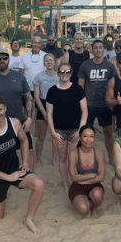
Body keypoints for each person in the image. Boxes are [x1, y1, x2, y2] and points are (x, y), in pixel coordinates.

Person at [0, 95, 44, 234]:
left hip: (15, 170)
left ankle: (29, 219)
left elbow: (24, 141)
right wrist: (8, 178)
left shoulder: (14, 123)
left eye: (0, 109)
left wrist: (25, 162)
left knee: (39, 184)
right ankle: (2, 195)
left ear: (5, 109)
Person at [46, 63, 87, 195]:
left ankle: (76, 182)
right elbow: (49, 114)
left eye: (67, 72)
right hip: (60, 131)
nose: (64, 74)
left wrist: (80, 131)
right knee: (62, 158)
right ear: (58, 73)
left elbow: (85, 111)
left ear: (71, 73)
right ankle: (65, 184)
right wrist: (53, 133)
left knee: (74, 158)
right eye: (62, 72)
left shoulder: (78, 89)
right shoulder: (52, 91)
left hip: (75, 130)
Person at [0, 50, 34, 150]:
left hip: (20, 122)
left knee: (28, 150)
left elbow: (28, 98)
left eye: (4, 58)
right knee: (2, 155)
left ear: (8, 59)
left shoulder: (19, 77)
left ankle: (27, 166)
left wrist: (29, 118)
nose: (2, 61)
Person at [78, 39, 117, 163]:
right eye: (95, 47)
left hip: (104, 104)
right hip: (89, 105)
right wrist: (80, 104)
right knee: (85, 133)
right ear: (92, 49)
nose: (98, 50)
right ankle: (83, 157)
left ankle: (111, 158)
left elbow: (114, 86)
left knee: (108, 133)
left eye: (100, 47)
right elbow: (80, 86)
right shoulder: (85, 65)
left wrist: (112, 102)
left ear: (103, 49)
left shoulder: (110, 66)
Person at [67, 125, 106, 216]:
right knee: (83, 209)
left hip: (95, 186)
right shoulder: (73, 154)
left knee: (97, 195)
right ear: (80, 137)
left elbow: (101, 177)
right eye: (85, 136)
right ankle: (85, 201)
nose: (88, 139)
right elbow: (73, 177)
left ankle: (94, 207)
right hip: (77, 188)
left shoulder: (99, 153)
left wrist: (82, 180)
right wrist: (91, 175)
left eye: (91, 136)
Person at [32, 53, 60, 166]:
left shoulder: (59, 76)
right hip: (43, 105)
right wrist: (44, 113)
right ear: (44, 63)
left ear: (54, 62)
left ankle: (54, 159)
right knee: (41, 136)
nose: (49, 62)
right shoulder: (38, 77)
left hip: (56, 107)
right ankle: (38, 159)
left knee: (55, 136)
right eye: (47, 61)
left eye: (51, 60)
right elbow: (36, 97)